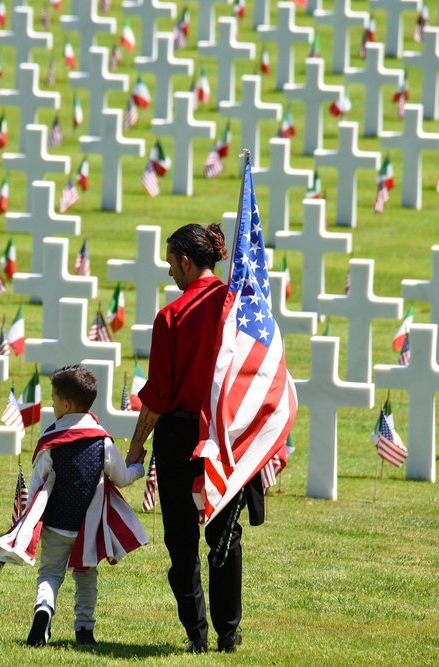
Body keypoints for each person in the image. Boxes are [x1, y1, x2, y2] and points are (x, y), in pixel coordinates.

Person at [125, 222, 262, 654]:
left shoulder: (171, 317)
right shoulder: (241, 305)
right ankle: (229, 632)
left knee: (181, 539)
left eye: (170, 263)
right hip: (229, 432)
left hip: (183, 435)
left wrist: (135, 444)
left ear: (186, 261)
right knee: (225, 533)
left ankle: (197, 635)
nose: (169, 273)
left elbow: (160, 395)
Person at [0, 365, 147, 648]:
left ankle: (44, 611)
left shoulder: (50, 442)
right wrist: (137, 467)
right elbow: (121, 479)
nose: (51, 405)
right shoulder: (103, 442)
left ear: (66, 404)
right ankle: (84, 630)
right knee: (86, 577)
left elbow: (38, 486)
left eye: (52, 399)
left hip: (56, 525)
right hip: (87, 527)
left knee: (50, 574)